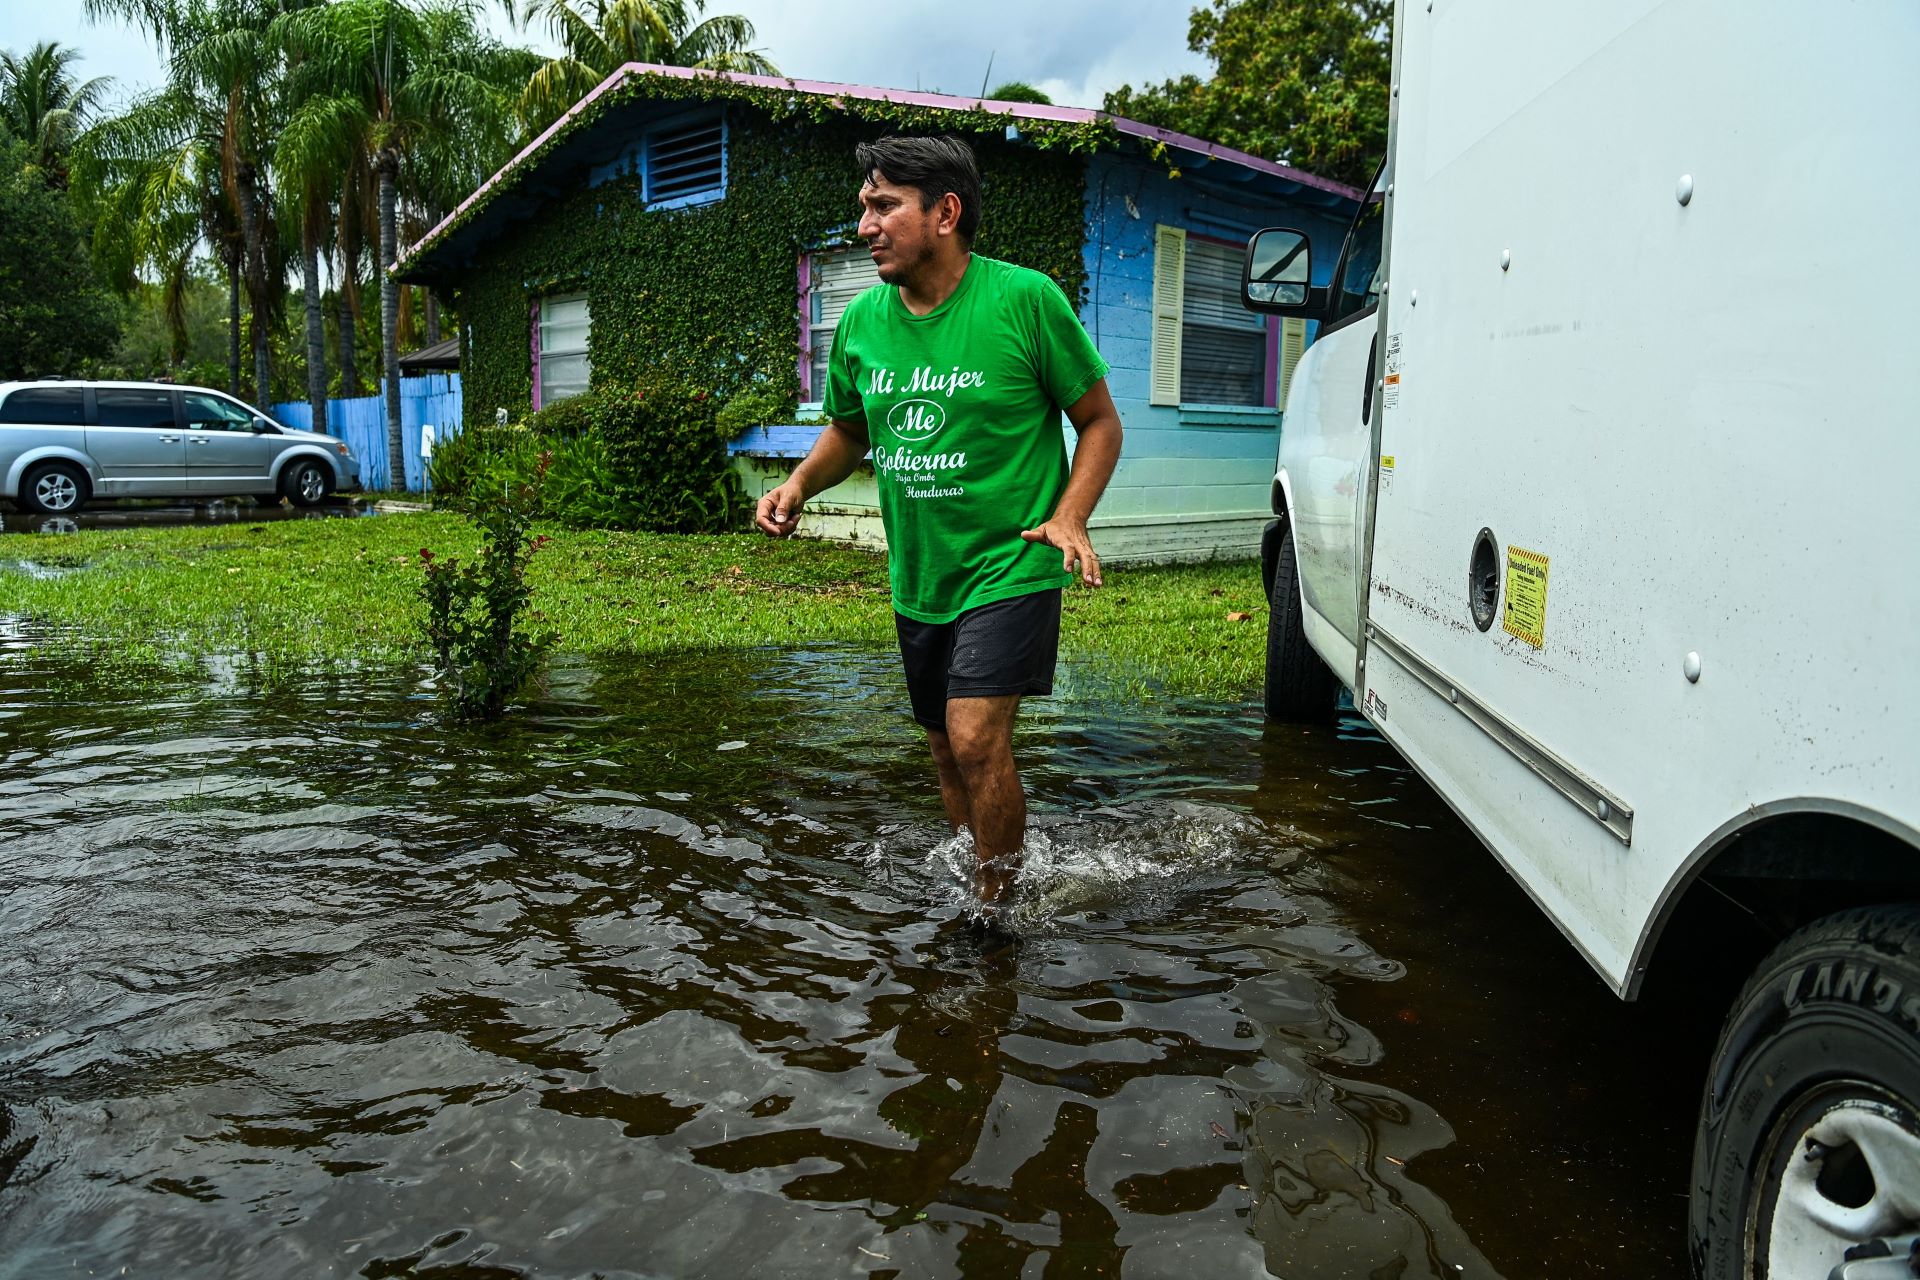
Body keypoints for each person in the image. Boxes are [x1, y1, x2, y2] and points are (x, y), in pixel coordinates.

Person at [755, 135, 1123, 908]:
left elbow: (1098, 421)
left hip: (1012, 557)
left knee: (975, 737)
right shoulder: (860, 323)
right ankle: (979, 876)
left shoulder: (1023, 300)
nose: (865, 226)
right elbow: (850, 432)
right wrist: (798, 485)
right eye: (865, 207)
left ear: (945, 212)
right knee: (945, 752)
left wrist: (1071, 516)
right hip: (922, 573)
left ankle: (999, 913)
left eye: (884, 206)